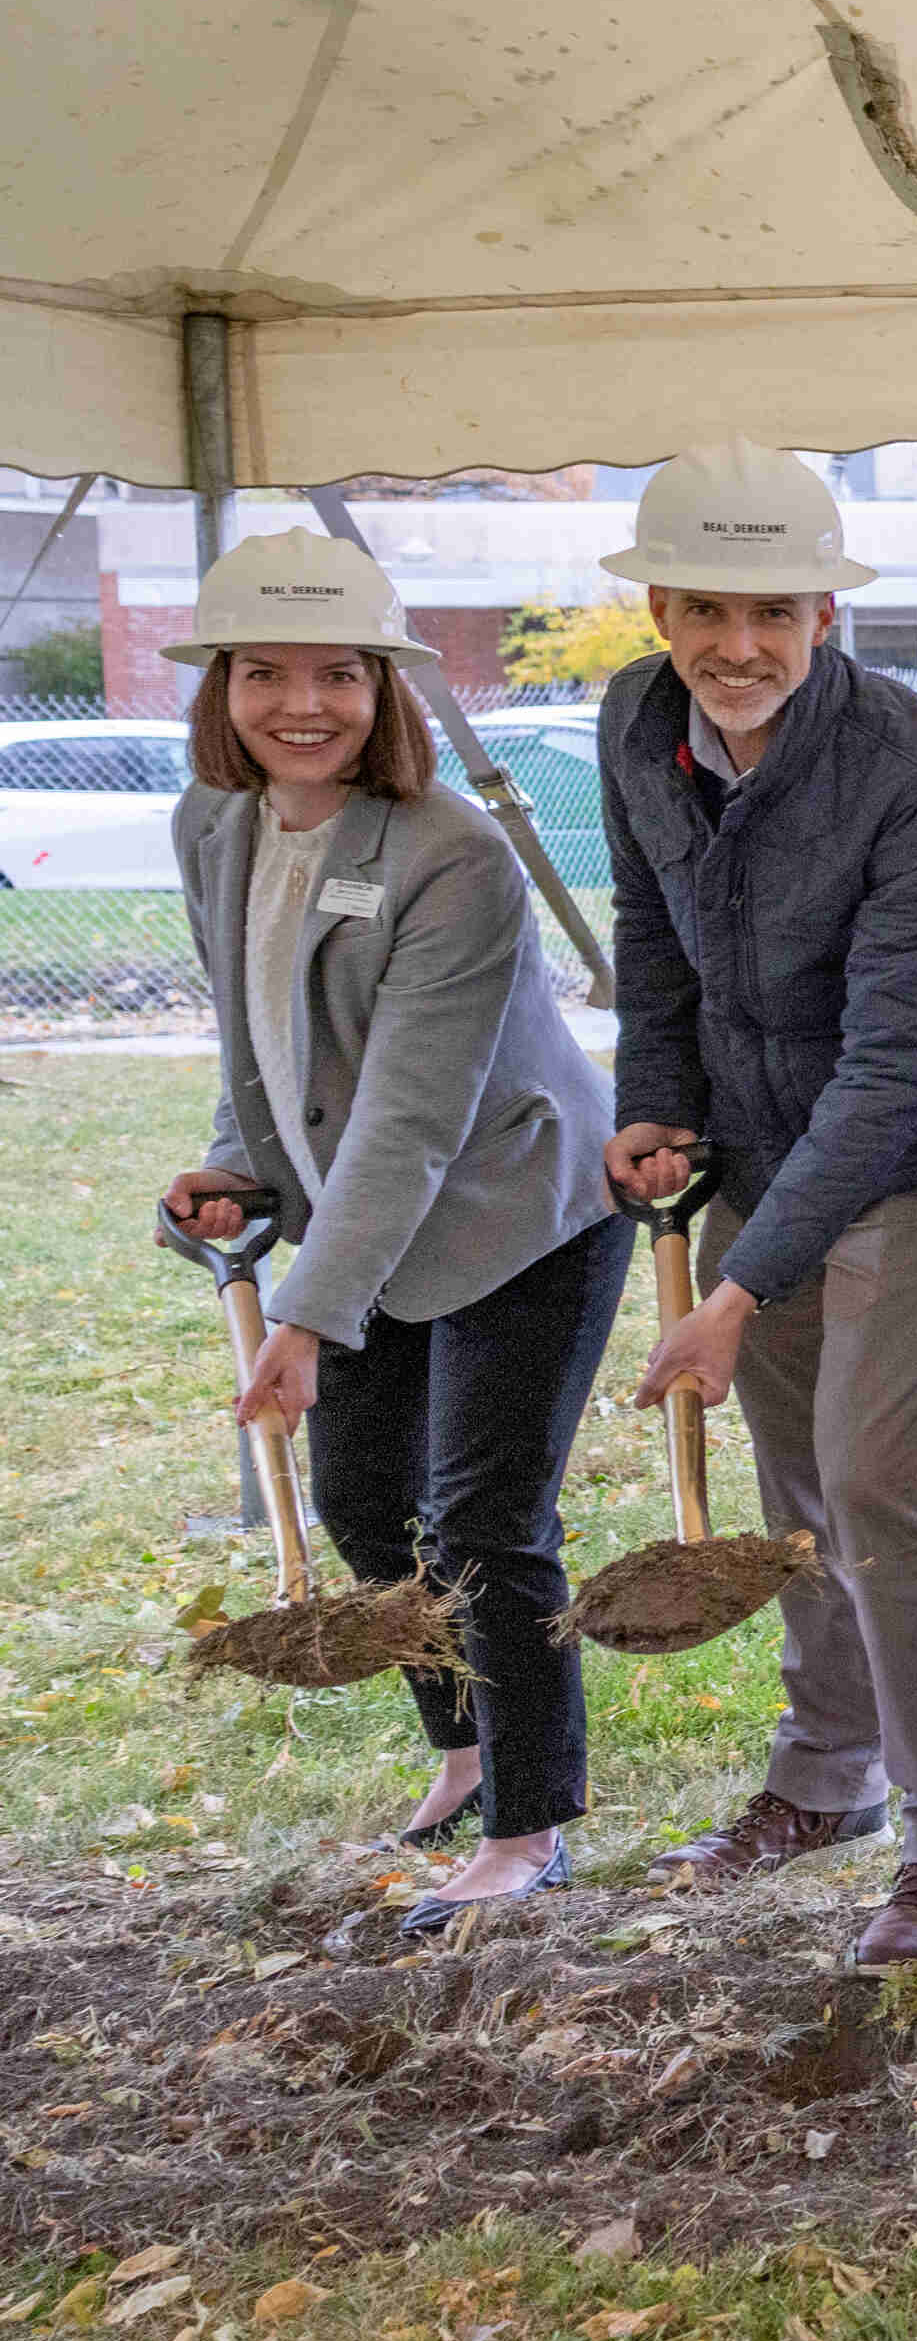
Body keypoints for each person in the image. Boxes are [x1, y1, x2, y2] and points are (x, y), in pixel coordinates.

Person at [156, 533, 628, 1938]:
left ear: (387, 689)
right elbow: (263, 1038)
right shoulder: (216, 824)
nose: (302, 703)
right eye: (265, 673)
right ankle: (466, 1753)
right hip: (364, 1223)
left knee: (482, 1517)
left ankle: (532, 1825)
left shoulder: (453, 855)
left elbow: (415, 1116)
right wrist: (240, 1170)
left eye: (339, 675)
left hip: (516, 1218)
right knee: (370, 1508)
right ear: (221, 691)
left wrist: (307, 1315)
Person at [590, 443, 917, 1973]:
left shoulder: (915, 767)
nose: (737, 647)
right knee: (795, 1498)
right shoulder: (638, 724)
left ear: (828, 610)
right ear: (656, 605)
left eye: (772, 610)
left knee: (876, 1482)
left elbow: (902, 1060)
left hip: (904, 1160)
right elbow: (653, 934)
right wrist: (655, 1102)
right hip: (752, 1150)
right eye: (704, 607)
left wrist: (737, 1285)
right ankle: (824, 1776)